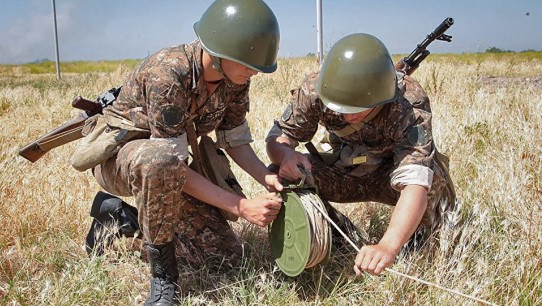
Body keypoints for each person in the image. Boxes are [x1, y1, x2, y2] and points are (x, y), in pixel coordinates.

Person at [80, 1, 284, 305]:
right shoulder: (169, 73)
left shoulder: (236, 78)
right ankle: (164, 280)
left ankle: (120, 220)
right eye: (246, 63)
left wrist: (268, 178)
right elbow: (171, 164)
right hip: (125, 162)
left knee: (225, 255)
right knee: (160, 162)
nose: (253, 71)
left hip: (170, 168)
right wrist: (241, 206)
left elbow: (234, 139)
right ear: (219, 52)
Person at [265, 33, 460, 277]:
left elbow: (415, 183)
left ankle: (417, 241)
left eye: (357, 108)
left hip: (389, 175)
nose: (347, 116)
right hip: (346, 171)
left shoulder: (408, 102)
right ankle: (338, 237)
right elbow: (279, 137)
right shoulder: (316, 89)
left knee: (433, 181)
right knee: (282, 177)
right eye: (340, 106)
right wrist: (284, 154)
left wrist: (388, 246)